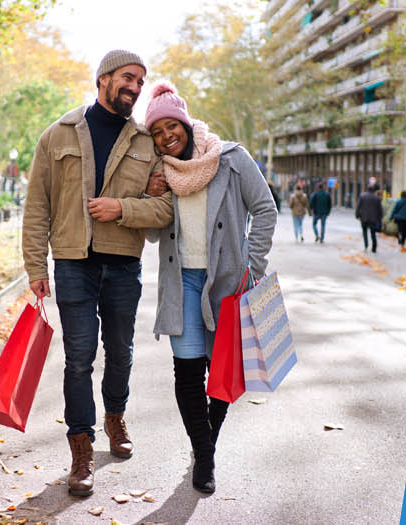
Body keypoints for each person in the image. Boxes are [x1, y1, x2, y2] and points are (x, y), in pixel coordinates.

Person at [21, 49, 174, 497]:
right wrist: (35, 266)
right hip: (72, 264)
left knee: (121, 353)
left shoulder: (148, 141)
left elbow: (164, 209)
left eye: (141, 81)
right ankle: (81, 449)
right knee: (78, 359)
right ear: (103, 78)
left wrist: (121, 208)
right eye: (128, 77)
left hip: (124, 264)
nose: (135, 86)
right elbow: (37, 207)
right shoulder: (58, 134)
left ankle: (115, 417)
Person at [142, 82, 276, 493]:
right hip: (182, 282)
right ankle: (205, 456)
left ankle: (204, 451)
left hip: (226, 284)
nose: (167, 135)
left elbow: (264, 208)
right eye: (158, 131)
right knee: (187, 372)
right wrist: (150, 196)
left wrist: (251, 266)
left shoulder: (231, 158)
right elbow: (150, 234)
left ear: (185, 122)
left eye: (172, 125)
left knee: (220, 374)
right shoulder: (160, 172)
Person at [356, 184, 385, 253]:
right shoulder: (376, 198)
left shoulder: (362, 196)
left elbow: (358, 207)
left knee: (364, 232)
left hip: (364, 218)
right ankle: (374, 247)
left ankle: (366, 245)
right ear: (373, 190)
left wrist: (357, 215)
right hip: (373, 219)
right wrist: (380, 217)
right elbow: (380, 209)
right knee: (373, 233)